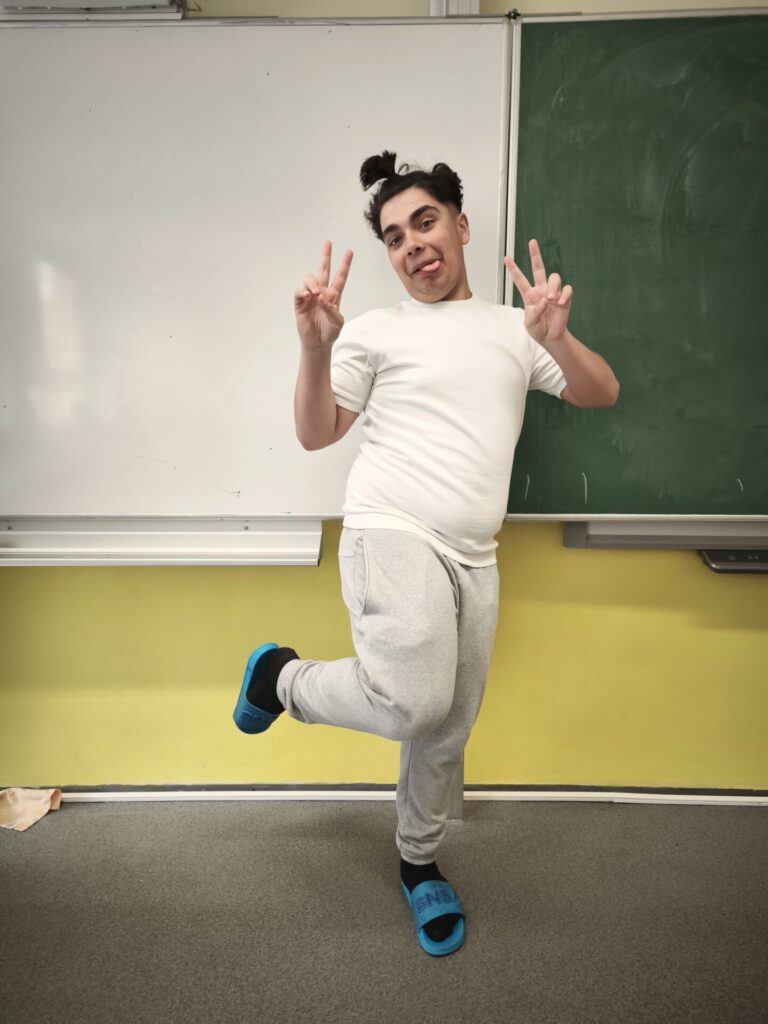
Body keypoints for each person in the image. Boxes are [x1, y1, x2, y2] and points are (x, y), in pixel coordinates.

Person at [233, 151, 619, 957]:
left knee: (445, 727)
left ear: (461, 226)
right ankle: (282, 680)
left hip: (475, 556)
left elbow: (600, 392)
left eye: (425, 222)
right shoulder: (376, 330)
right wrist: (314, 349)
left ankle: (418, 862)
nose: (412, 244)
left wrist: (557, 337)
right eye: (394, 236)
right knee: (413, 701)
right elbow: (316, 434)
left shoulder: (515, 328)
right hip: (392, 529)